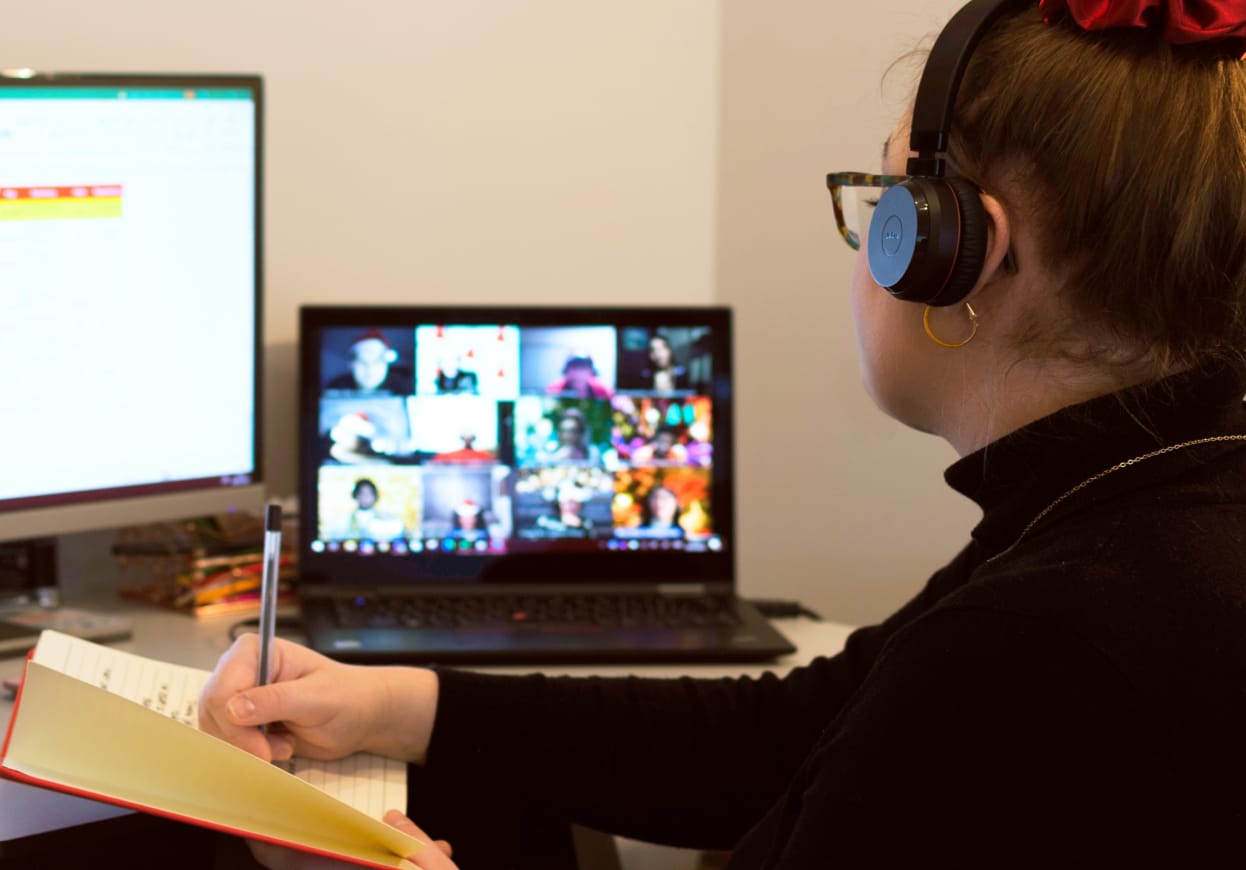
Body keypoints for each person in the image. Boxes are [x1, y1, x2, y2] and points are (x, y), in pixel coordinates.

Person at [200, 2, 1246, 866]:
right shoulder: (1122, 513)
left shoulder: (1047, 638)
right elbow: (779, 743)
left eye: (883, 195)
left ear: (952, 251)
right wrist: (387, 704)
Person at [326, 329, 415, 394]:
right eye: (362, 362)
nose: (369, 368)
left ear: (386, 364)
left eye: (376, 361)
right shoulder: (336, 389)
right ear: (351, 364)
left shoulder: (404, 389)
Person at [544, 353, 613, 398]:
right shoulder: (555, 389)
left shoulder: (601, 389)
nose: (579, 374)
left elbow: (614, 399)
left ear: (591, 371)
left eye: (583, 368)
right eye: (574, 367)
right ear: (567, 371)